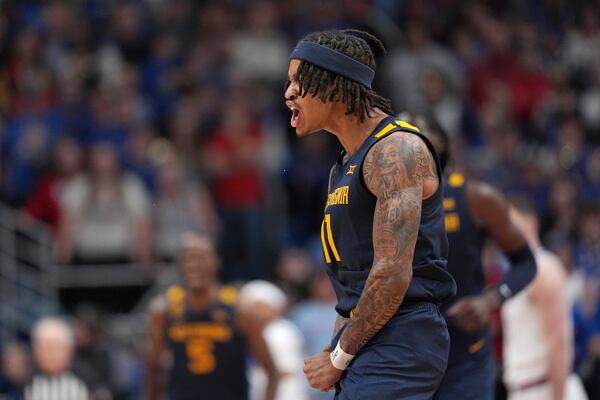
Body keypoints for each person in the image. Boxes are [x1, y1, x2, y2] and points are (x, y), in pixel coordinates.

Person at [284, 29, 457, 399]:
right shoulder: (343, 165)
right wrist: (337, 348)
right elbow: (355, 285)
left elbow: (392, 274)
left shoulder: (396, 150)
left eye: (298, 82)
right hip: (369, 340)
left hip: (403, 334)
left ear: (332, 85)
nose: (288, 94)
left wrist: (338, 356)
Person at [401, 114, 538, 400]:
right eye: (399, 134)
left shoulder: (477, 197)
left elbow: (527, 262)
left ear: (440, 143)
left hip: (464, 358)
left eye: (416, 131)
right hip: (404, 356)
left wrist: (490, 300)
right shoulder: (378, 202)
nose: (406, 140)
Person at [145, 232, 279, 400]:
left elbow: (272, 371)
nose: (193, 265)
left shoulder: (240, 309)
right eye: (188, 258)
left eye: (201, 258)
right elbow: (154, 368)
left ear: (216, 261)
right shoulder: (164, 310)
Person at [502, 202, 588, 400]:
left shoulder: (543, 269)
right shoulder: (515, 271)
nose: (505, 231)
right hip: (523, 389)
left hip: (546, 388)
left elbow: (558, 342)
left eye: (511, 223)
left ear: (531, 224)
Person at [238, 280, 307, 400]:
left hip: (285, 393)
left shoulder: (280, 330)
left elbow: (285, 373)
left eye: (256, 306)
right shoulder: (251, 331)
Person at [25, 318, 90, 400]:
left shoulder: (85, 383)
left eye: (54, 347)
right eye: (42, 347)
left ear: (69, 349)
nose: (48, 354)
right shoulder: (24, 383)